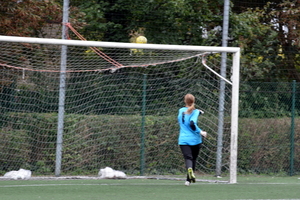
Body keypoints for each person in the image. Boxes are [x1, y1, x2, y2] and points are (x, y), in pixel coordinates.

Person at [177, 93, 207, 186]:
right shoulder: (195, 112)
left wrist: (198, 112)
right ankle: (188, 180)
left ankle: (188, 178)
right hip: (195, 140)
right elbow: (192, 123)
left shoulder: (180, 110)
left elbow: (186, 117)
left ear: (184, 101)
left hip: (183, 140)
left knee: (188, 158)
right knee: (193, 158)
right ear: (194, 101)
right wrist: (201, 132)